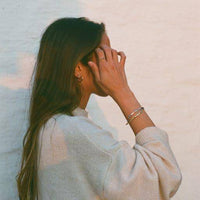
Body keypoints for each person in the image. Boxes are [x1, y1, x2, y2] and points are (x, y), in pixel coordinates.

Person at [16, 17, 182, 200]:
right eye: (106, 54)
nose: (116, 60)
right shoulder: (73, 131)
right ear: (78, 67)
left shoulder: (52, 126)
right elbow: (163, 174)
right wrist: (123, 91)